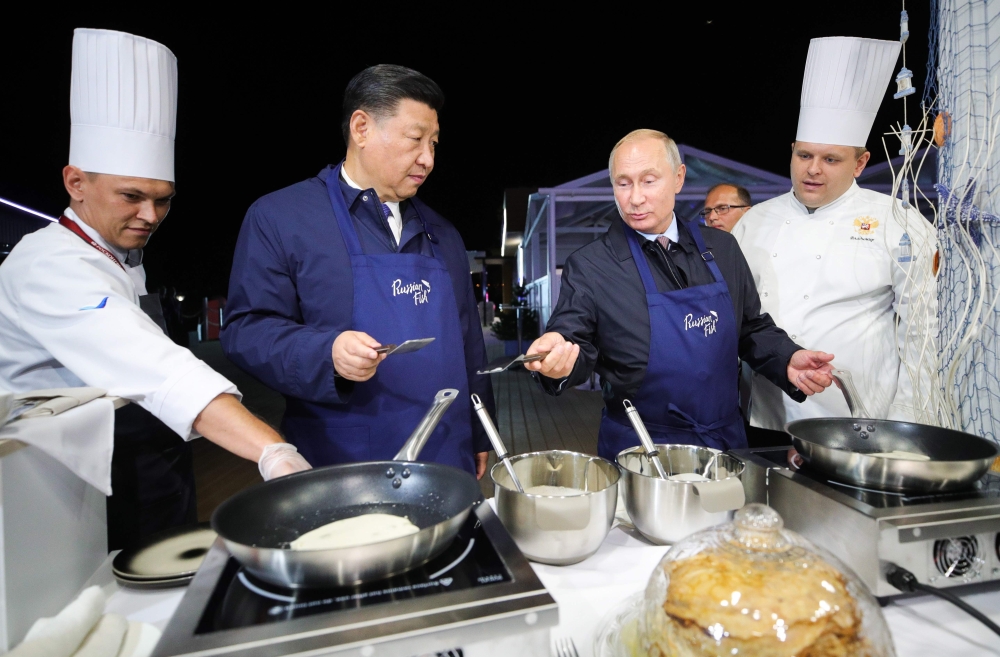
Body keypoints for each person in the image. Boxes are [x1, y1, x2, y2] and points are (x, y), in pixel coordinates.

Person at [0, 29, 310, 551]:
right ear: (76, 183)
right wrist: (271, 449)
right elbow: (155, 366)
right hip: (63, 490)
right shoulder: (46, 264)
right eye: (131, 196)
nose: (150, 216)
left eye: (163, 200)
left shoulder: (120, 257)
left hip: (149, 467)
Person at [222, 65, 494, 478]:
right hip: (342, 462)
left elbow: (469, 341)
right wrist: (325, 353)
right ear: (362, 128)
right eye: (416, 139)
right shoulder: (280, 217)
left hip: (445, 456)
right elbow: (247, 330)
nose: (428, 158)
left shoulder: (443, 232)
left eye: (434, 143)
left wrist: (480, 431)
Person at [524, 129, 836, 461]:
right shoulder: (591, 265)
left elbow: (750, 328)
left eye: (649, 180)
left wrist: (786, 359)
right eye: (623, 183)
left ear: (678, 178)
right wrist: (558, 360)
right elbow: (574, 341)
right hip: (640, 449)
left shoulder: (722, 248)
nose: (635, 198)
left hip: (725, 443)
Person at [734, 37, 936, 440]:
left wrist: (908, 420)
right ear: (791, 151)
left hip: (861, 421)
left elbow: (921, 332)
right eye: (804, 155)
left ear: (860, 163)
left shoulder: (899, 222)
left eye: (831, 159)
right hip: (765, 418)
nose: (813, 170)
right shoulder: (753, 222)